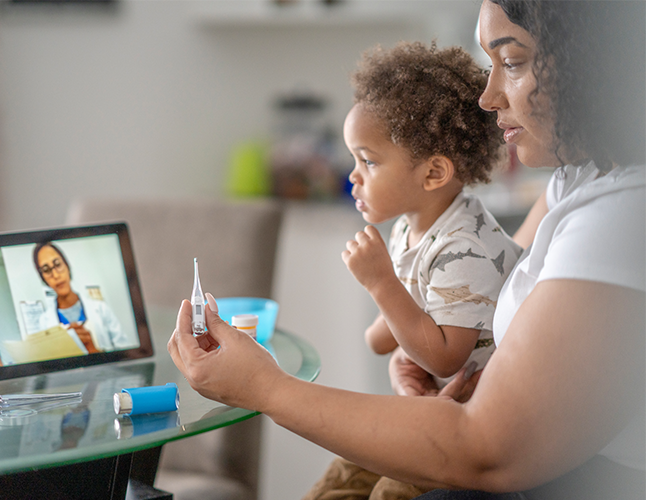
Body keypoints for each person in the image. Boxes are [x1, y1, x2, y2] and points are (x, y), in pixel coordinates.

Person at [167, 0, 646, 498]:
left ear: (592, 61)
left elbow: (485, 449)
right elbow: (501, 288)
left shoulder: (622, 218)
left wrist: (264, 386)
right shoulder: (580, 179)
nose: (488, 97)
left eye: (512, 62)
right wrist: (411, 352)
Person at [303, 41, 522, 500]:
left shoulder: (467, 247)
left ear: (433, 173)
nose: (353, 176)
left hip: (468, 426)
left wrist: (381, 282)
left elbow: (444, 358)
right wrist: (389, 302)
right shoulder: (411, 227)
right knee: (341, 474)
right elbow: (382, 340)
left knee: (389, 490)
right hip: (434, 413)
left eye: (369, 160)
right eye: (354, 159)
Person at [33, 241, 130, 353]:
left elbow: (126, 355)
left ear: (67, 266)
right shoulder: (44, 322)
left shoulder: (101, 309)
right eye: (46, 270)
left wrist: (94, 352)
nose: (55, 275)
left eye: (58, 264)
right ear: (43, 279)